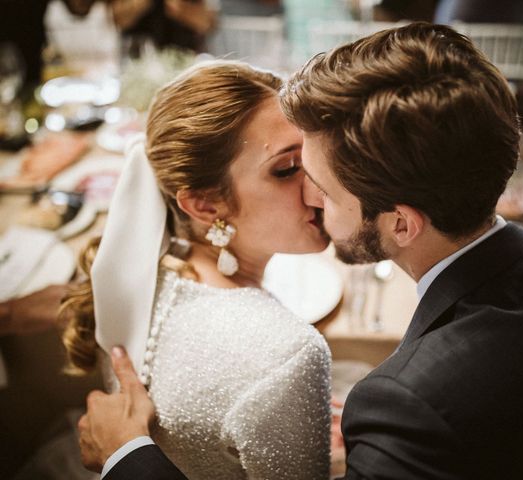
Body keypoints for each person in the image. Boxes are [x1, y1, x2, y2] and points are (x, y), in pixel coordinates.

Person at [78, 22, 523, 479]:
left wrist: (129, 459)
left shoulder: (405, 406)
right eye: (289, 168)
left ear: (401, 224)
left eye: (319, 179)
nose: (312, 198)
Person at [62, 60, 332, 479]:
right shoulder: (291, 355)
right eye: (286, 170)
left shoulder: (134, 274)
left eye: (313, 156)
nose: (321, 188)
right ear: (205, 205)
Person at [111, 0, 218, 52]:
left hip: (184, 59)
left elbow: (208, 23)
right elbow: (119, 20)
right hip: (138, 60)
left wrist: (180, 8)